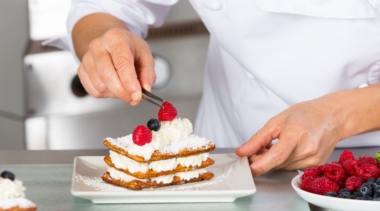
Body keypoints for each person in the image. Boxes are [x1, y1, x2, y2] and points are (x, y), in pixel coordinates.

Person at [48, 0, 380, 177]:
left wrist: (340, 115)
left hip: (366, 158)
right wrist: (107, 39)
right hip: (227, 155)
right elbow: (104, 8)